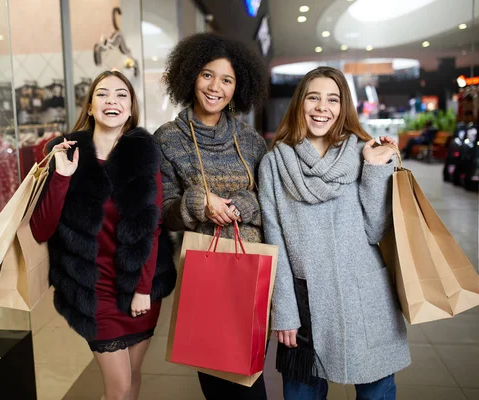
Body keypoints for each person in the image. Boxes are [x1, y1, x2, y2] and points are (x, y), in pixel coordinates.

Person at [258, 66, 411, 400]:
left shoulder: (362, 153)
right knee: (301, 393)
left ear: (344, 108)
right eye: (313, 97)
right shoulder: (274, 164)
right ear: (300, 103)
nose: (321, 107)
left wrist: (374, 170)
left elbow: (376, 230)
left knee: (377, 391)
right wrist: (283, 311)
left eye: (332, 99)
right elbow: (275, 242)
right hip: (306, 304)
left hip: (364, 296)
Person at [30, 70, 176, 400]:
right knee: (118, 385)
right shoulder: (66, 153)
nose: (112, 100)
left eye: (121, 94)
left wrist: (142, 289)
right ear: (91, 106)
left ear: (130, 107)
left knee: (134, 377)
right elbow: (42, 228)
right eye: (103, 94)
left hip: (140, 286)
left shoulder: (143, 154)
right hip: (93, 289)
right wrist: (62, 177)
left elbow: (152, 228)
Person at [154, 32, 269, 400]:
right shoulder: (168, 138)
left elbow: (269, 201)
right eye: (207, 74)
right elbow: (164, 210)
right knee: (220, 383)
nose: (215, 86)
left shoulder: (251, 140)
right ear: (190, 75)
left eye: (227, 79)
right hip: (204, 274)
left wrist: (243, 205)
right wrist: (198, 205)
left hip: (252, 272)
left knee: (251, 378)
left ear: (239, 87)